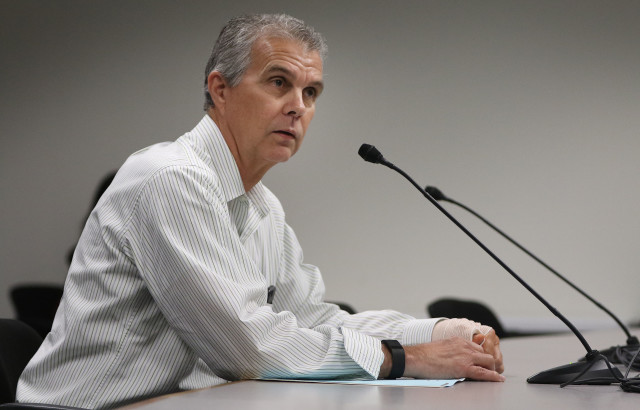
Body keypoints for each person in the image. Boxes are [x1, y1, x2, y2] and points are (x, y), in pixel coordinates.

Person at [17, 14, 504, 409]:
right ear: (220, 89)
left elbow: (311, 319)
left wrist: (443, 332)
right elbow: (248, 350)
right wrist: (407, 357)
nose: (298, 107)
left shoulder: (263, 208)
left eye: (310, 93)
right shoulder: (171, 179)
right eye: (279, 83)